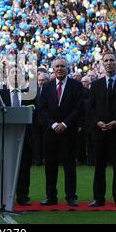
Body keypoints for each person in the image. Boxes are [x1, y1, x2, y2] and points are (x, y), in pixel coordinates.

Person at [88, 52, 116, 208]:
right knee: (99, 167)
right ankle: (98, 198)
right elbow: (90, 108)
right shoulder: (95, 84)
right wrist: (97, 122)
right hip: (99, 133)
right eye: (106, 60)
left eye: (111, 60)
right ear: (102, 63)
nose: (109, 63)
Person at [0, 65, 35, 206]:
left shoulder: (29, 92)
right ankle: (4, 196)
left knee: (24, 167)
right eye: (12, 72)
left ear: (22, 77)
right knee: (4, 166)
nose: (15, 75)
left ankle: (23, 195)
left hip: (24, 136)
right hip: (4, 136)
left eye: (18, 73)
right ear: (7, 76)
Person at [38, 58, 83, 207]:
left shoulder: (76, 86)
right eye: (57, 66)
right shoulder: (47, 87)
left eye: (62, 66)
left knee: (70, 166)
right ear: (53, 69)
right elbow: (42, 109)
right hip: (51, 133)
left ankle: (71, 196)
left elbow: (78, 108)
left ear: (67, 68)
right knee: (50, 166)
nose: (59, 68)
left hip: (69, 133)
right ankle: (51, 196)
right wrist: (53, 124)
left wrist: (64, 124)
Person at [32, 72, 48, 166]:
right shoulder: (35, 90)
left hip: (47, 121)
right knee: (37, 142)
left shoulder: (51, 89)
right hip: (37, 120)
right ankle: (38, 160)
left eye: (43, 80)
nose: (41, 82)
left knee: (46, 141)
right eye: (39, 80)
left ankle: (46, 159)